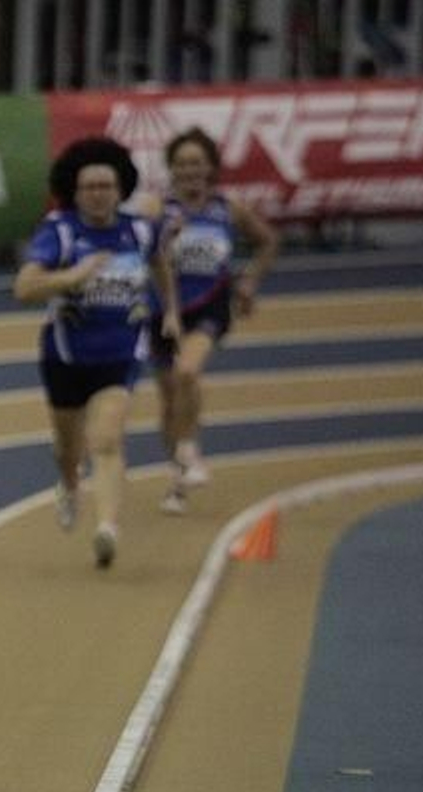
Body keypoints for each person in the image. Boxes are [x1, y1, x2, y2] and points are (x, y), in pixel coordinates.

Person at [13, 137, 179, 569]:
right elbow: (25, 287)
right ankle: (69, 484)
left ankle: (107, 527)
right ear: (75, 190)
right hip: (66, 357)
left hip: (120, 355)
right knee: (69, 449)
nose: (99, 194)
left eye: (106, 186)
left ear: (120, 187)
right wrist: (73, 277)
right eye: (90, 187)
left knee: (106, 440)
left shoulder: (139, 230)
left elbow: (160, 263)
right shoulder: (61, 231)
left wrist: (171, 311)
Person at [150, 127, 279, 514]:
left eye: (197, 163)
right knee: (170, 398)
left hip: (210, 305)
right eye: (182, 163)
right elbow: (138, 248)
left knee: (188, 372)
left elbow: (268, 241)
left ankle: (190, 452)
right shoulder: (158, 209)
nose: (190, 170)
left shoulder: (228, 207)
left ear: (210, 167)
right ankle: (177, 480)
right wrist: (160, 240)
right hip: (162, 310)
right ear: (171, 169)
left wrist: (250, 282)